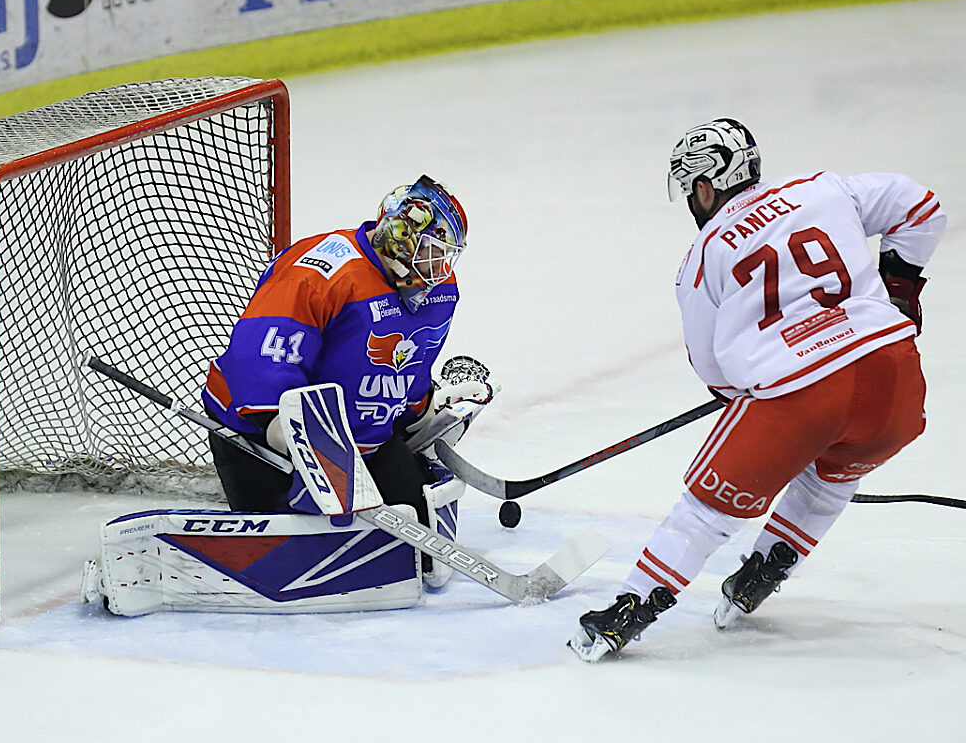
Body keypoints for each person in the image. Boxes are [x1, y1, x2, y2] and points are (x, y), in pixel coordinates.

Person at [569, 118, 946, 662]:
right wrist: (900, 292)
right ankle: (766, 568)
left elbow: (711, 366)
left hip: (800, 396)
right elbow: (921, 208)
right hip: (895, 377)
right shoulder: (823, 188)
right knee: (834, 474)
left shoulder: (703, 255)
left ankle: (630, 610)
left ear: (704, 187)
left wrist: (756, 409)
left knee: (705, 511)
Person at [201, 175, 487, 586]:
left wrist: (421, 413)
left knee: (417, 551)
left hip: (362, 443)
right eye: (430, 252)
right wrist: (279, 424)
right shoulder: (318, 273)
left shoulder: (438, 292)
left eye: (446, 257)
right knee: (300, 558)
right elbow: (261, 353)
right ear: (400, 234)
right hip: (262, 437)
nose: (438, 269)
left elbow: (411, 360)